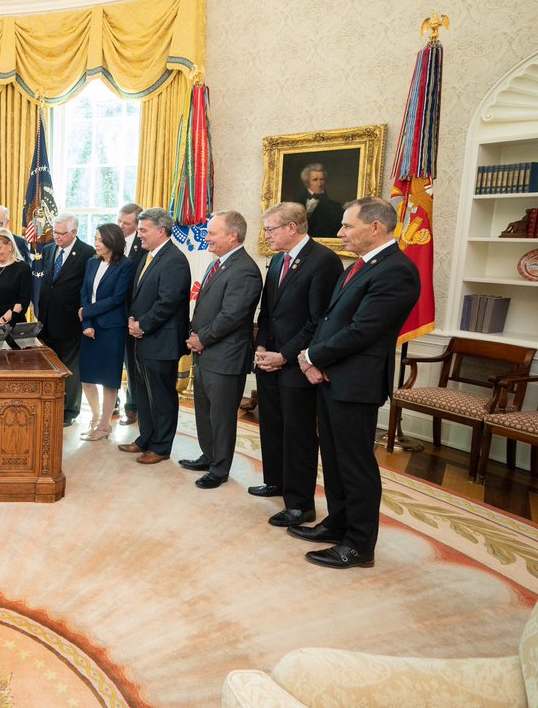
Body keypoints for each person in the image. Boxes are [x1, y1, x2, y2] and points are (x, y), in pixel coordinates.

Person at [291, 197, 420, 569]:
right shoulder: (360, 266)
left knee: (356, 465)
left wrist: (313, 356)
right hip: (333, 376)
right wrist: (313, 359)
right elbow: (331, 320)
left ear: (375, 227)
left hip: (356, 382)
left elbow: (364, 330)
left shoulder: (397, 270)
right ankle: (338, 523)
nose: (340, 232)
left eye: (347, 226)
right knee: (333, 460)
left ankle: (360, 545)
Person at [251, 202, 342, 527]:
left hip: (297, 363)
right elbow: (268, 312)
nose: (266, 235)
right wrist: (262, 346)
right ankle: (276, 481)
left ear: (292, 227)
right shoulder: (277, 260)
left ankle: (300, 505)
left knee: (298, 434)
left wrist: (284, 356)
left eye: (270, 229)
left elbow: (317, 321)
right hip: (270, 359)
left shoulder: (324, 261)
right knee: (272, 425)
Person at [179, 211, 262, 489]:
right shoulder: (218, 263)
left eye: (212, 233)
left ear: (233, 235)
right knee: (204, 411)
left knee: (222, 417)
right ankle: (208, 456)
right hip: (206, 352)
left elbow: (232, 315)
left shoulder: (244, 269)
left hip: (226, 356)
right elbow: (206, 307)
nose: (207, 237)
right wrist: (194, 335)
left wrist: (202, 339)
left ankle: (219, 469)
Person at [118, 207, 191, 465]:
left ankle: (161, 447)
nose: (138, 235)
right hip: (143, 337)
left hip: (161, 341)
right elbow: (138, 296)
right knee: (143, 392)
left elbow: (167, 302)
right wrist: (132, 320)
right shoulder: (149, 256)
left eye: (143, 230)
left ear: (161, 231)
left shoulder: (174, 260)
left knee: (161, 396)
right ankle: (145, 439)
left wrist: (143, 326)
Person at [78, 223, 135, 441]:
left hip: (112, 329)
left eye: (100, 240)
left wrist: (86, 312)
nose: (96, 243)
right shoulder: (91, 262)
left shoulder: (125, 265)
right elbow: (85, 293)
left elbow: (117, 298)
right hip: (89, 327)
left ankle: (104, 425)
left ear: (112, 241)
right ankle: (94, 418)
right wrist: (86, 322)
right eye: (95, 238)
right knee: (87, 377)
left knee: (109, 379)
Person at [36, 214, 94, 427]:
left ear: (74, 232)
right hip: (47, 318)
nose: (56, 237)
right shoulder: (48, 249)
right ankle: (49, 404)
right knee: (49, 365)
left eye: (61, 233)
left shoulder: (87, 253)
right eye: (54, 232)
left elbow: (88, 288)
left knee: (70, 367)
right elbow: (47, 283)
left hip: (71, 320)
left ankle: (69, 411)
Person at [116, 202, 144, 427]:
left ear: (137, 224)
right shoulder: (113, 242)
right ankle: (112, 403)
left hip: (133, 314)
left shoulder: (143, 247)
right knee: (112, 360)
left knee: (132, 364)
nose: (121, 226)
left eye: (126, 223)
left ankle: (132, 407)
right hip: (113, 313)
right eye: (119, 221)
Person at [295, 163, 343, 238]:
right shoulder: (295, 203)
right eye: (315, 180)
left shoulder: (335, 208)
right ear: (307, 182)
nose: (319, 184)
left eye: (322, 179)